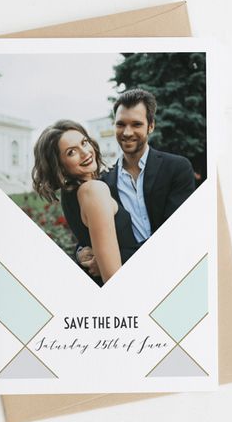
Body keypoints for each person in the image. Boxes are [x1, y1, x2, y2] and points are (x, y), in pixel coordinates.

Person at [77, 89, 196, 277]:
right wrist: (81, 253)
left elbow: (175, 237)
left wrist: (111, 262)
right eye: (121, 124)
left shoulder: (177, 168)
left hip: (171, 275)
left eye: (136, 124)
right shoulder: (102, 182)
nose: (127, 132)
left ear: (151, 126)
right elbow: (88, 231)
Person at [32, 120, 140, 285]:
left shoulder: (73, 193)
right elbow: (113, 276)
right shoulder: (93, 191)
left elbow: (89, 241)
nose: (85, 153)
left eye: (84, 142)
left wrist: (82, 253)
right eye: (71, 152)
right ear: (59, 166)